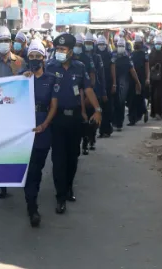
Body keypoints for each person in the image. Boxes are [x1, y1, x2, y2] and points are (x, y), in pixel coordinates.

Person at [46, 33, 102, 214]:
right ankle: (60, 196)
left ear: (71, 51)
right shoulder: (49, 67)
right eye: (57, 49)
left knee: (73, 157)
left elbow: (87, 89)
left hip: (75, 119)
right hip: (57, 119)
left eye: (63, 49)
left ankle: (69, 187)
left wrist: (97, 109)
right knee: (58, 159)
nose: (59, 52)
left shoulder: (79, 67)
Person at [20, 39, 58, 227]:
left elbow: (54, 105)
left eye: (38, 56)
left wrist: (45, 124)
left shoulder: (50, 78)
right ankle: (32, 206)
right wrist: (22, 79)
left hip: (42, 129)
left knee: (37, 167)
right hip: (25, 130)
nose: (35, 60)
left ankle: (31, 197)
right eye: (31, 56)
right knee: (30, 169)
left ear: (44, 58)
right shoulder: (21, 77)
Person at [0, 26, 26, 199]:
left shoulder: (20, 62)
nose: (3, 44)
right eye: (0, 41)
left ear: (10, 43)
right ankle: (2, 184)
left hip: (13, 109)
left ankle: (16, 176)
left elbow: (25, 86)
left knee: (14, 146)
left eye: (6, 41)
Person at [82, 32, 106, 155]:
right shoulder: (79, 58)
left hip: (94, 93)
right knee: (84, 120)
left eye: (90, 43)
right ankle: (85, 141)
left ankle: (92, 139)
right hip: (81, 95)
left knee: (93, 118)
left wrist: (103, 93)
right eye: (86, 43)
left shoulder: (97, 58)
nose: (88, 45)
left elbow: (100, 76)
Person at [112, 37, 142, 131]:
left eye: (122, 46)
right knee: (113, 103)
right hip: (113, 82)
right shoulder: (112, 56)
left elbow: (132, 70)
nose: (120, 47)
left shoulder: (127, 58)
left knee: (121, 103)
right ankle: (114, 121)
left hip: (124, 84)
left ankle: (119, 123)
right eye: (119, 46)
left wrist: (137, 82)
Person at [95, 36, 116, 138]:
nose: (101, 46)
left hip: (108, 84)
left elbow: (113, 69)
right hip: (97, 86)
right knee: (99, 108)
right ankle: (100, 130)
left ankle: (107, 129)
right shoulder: (94, 55)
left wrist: (114, 83)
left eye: (103, 44)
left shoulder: (109, 55)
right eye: (99, 44)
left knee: (107, 108)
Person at [128, 34, 150, 126]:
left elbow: (147, 67)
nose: (137, 44)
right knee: (132, 99)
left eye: (138, 43)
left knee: (140, 98)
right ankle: (132, 119)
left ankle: (143, 112)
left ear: (141, 44)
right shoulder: (131, 54)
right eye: (135, 43)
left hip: (141, 79)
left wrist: (148, 78)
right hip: (132, 80)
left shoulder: (144, 55)